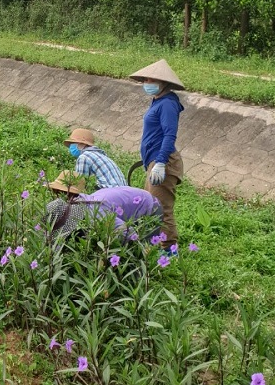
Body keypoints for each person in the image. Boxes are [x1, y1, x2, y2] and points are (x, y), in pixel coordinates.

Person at [129, 59, 185, 247]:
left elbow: (169, 135)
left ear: (163, 83)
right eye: (145, 79)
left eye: (151, 80)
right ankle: (155, 246)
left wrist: (160, 162)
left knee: (162, 209)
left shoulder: (168, 104)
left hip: (164, 162)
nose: (147, 83)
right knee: (151, 206)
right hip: (154, 160)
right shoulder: (157, 101)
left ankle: (169, 250)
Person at [44, 172, 163, 243]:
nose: (56, 195)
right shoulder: (79, 203)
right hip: (132, 204)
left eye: (58, 192)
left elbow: (129, 233)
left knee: (140, 254)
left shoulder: (95, 212)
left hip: (150, 208)